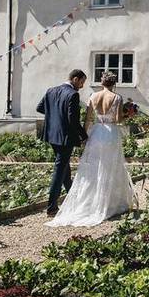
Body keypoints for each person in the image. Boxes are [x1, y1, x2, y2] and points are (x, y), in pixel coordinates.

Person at [46, 70, 136, 227]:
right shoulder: (117, 97)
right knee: (111, 167)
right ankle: (109, 203)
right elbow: (118, 119)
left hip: (96, 133)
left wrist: (86, 137)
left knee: (92, 169)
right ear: (114, 83)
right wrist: (129, 114)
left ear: (102, 82)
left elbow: (87, 119)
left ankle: (90, 202)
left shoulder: (93, 97)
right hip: (110, 133)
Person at [37, 69, 89, 217]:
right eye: (82, 82)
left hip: (51, 135)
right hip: (65, 137)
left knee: (64, 167)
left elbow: (40, 108)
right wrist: (84, 136)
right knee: (60, 169)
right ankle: (52, 207)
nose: (82, 86)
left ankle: (73, 198)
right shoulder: (73, 94)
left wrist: (55, 116)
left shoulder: (50, 91)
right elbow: (73, 120)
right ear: (75, 79)